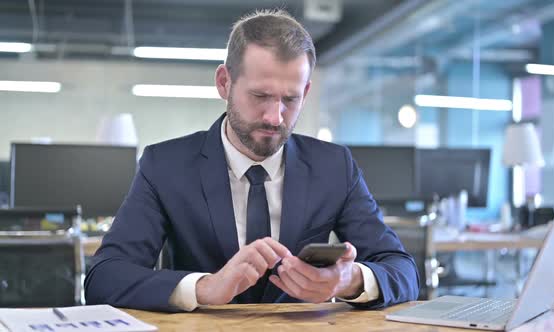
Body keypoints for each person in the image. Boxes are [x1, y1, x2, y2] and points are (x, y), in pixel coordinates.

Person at [84, 9, 419, 312]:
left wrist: (350, 281)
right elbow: (103, 276)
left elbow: (402, 270)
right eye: (260, 96)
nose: (275, 117)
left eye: (290, 99)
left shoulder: (334, 166)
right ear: (224, 82)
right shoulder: (165, 165)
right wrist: (205, 287)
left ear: (305, 93)